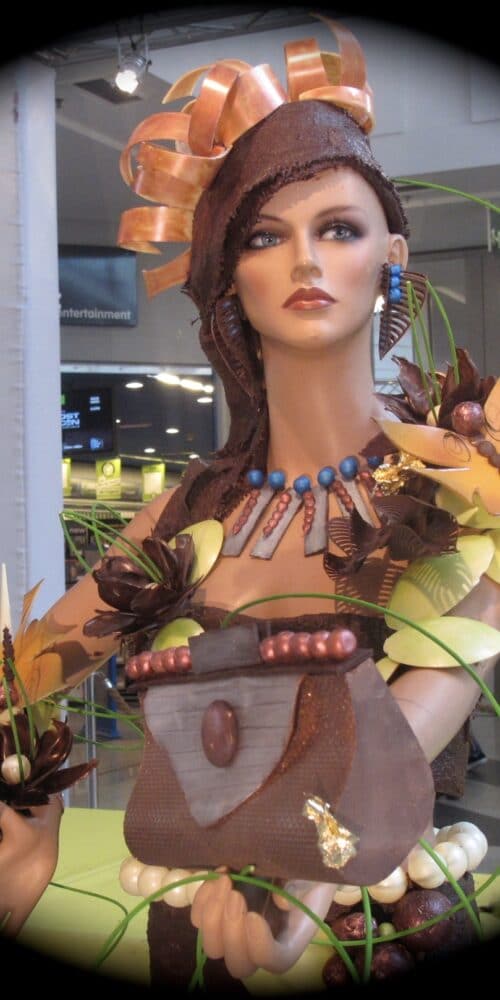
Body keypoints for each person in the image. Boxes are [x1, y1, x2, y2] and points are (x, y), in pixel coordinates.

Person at [3, 17, 498, 991]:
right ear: (231, 273)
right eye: (267, 236)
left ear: (391, 255)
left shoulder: (463, 493)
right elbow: (31, 672)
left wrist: (296, 879)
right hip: (187, 941)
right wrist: (28, 788)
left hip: (369, 938)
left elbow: (404, 732)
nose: (305, 260)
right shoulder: (187, 512)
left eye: (338, 228)